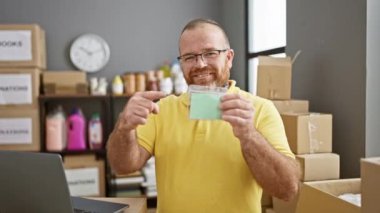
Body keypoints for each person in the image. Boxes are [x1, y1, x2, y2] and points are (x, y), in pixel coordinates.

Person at [107, 18, 300, 213]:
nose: (200, 64)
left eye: (210, 53)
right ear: (181, 63)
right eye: (189, 57)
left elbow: (287, 190)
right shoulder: (162, 109)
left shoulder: (260, 109)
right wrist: (124, 128)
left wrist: (249, 135)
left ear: (229, 57)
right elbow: (122, 166)